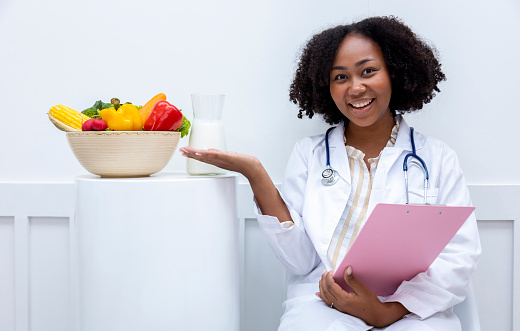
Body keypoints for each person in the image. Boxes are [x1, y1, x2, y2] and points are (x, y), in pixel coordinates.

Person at [180, 16, 481, 330]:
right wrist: (255, 173)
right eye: (340, 77)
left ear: (394, 72)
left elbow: (459, 255)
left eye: (368, 71)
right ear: (327, 86)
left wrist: (386, 311)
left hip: (412, 309)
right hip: (323, 304)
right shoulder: (309, 155)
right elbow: (300, 261)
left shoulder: (437, 158)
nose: (355, 88)